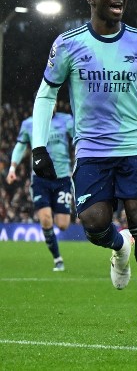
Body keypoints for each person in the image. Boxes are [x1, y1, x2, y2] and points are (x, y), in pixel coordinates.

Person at [29, 0, 137, 327]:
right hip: (92, 151)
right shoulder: (68, 44)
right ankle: (118, 247)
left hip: (136, 146)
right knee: (94, 223)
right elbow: (47, 94)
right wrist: (38, 147)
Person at [6, 108, 75, 271]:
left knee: (63, 224)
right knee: (45, 219)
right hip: (40, 180)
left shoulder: (66, 120)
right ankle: (58, 258)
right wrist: (12, 168)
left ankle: (57, 253)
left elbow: (79, 137)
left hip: (62, 178)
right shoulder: (29, 124)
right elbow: (20, 146)